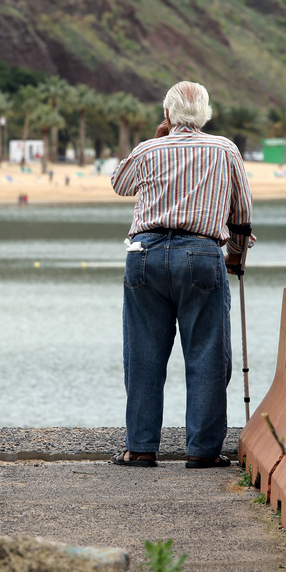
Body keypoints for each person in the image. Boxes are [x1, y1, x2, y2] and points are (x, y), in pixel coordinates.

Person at [110, 80, 253, 469]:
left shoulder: (148, 149)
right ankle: (202, 452)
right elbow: (241, 215)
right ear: (205, 115)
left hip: (144, 255)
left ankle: (139, 448)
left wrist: (156, 137)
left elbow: (120, 184)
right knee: (207, 354)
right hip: (201, 254)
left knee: (142, 355)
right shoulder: (225, 148)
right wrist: (236, 258)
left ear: (168, 114)